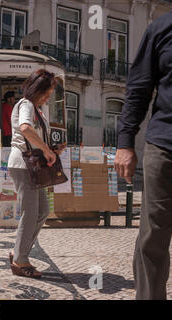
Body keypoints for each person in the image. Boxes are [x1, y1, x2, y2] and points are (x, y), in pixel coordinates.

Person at [114, 11, 172, 300]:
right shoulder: (161, 29)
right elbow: (138, 89)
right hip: (164, 146)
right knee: (154, 236)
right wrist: (125, 143)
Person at [7, 69, 65, 278]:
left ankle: (19, 251)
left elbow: (33, 135)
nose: (48, 97)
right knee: (30, 212)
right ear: (37, 89)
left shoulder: (37, 110)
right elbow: (25, 129)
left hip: (31, 163)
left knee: (42, 211)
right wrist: (47, 151)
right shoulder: (26, 104)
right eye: (47, 93)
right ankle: (20, 261)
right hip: (23, 163)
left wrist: (51, 149)